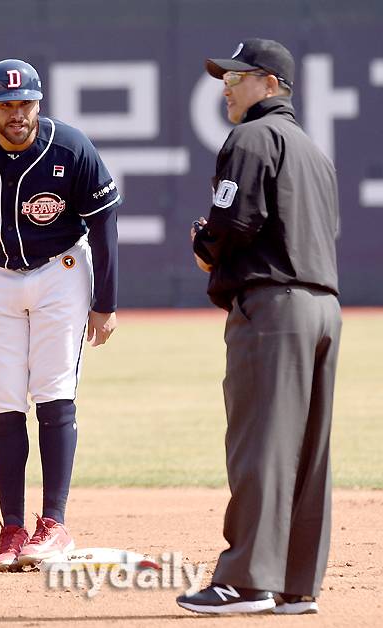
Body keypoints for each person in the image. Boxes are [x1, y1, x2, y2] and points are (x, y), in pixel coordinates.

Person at [176, 39, 342, 615]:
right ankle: (295, 584)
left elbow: (234, 220)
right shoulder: (314, 152)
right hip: (323, 307)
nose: (226, 87)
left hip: (273, 308)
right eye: (225, 78)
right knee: (308, 450)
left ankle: (245, 582)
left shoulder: (251, 137)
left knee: (261, 445)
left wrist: (205, 246)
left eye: (237, 77)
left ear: (270, 84)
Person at [0, 59, 121, 572]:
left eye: (25, 103)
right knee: (0, 398)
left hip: (61, 271)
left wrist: (105, 303)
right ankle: (12, 528)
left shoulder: (70, 148)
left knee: (54, 390)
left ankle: (54, 524)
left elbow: (104, 224)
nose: (16, 113)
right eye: (5, 105)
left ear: (39, 104)